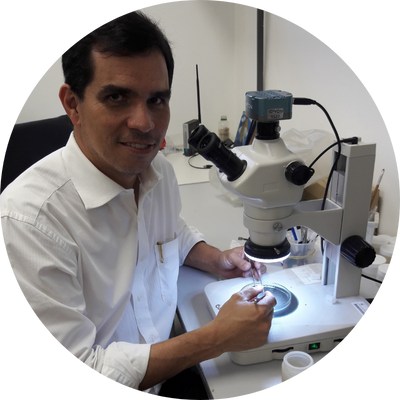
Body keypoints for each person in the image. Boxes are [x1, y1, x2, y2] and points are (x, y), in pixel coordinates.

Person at [0, 9, 276, 397]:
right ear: (73, 104)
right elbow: (84, 365)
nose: (145, 124)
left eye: (157, 99)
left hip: (167, 371)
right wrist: (216, 338)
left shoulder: (157, 171)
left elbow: (169, 233)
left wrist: (215, 258)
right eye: (117, 97)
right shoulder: (29, 222)